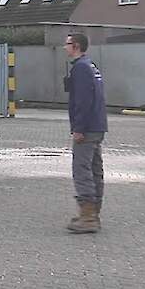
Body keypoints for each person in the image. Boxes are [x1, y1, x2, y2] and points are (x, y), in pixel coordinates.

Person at [63, 32, 107, 234]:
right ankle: (93, 213)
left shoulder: (80, 68)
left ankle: (88, 217)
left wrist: (78, 128)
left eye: (68, 44)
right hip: (98, 125)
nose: (65, 47)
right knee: (95, 169)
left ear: (76, 46)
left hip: (87, 128)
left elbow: (82, 100)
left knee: (82, 170)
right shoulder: (91, 65)